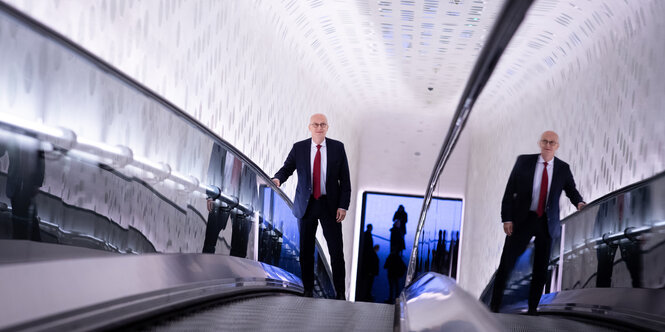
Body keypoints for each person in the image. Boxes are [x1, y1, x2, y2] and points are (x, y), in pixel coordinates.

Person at [490, 131, 586, 315]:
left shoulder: (562, 168)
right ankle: (494, 306)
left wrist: (579, 203)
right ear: (539, 143)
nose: (548, 145)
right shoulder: (523, 162)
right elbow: (509, 192)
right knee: (506, 264)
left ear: (557, 146)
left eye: (552, 142)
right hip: (522, 220)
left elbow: (571, 190)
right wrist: (507, 218)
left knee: (541, 269)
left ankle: (533, 308)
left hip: (547, 224)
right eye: (545, 141)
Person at [272, 113, 351, 300]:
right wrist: (277, 179)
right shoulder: (299, 148)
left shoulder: (338, 148)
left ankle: (340, 293)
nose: (319, 127)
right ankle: (307, 290)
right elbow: (287, 168)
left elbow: (345, 181)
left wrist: (343, 206)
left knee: (336, 251)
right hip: (306, 205)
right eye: (315, 124)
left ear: (327, 127)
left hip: (330, 206)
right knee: (306, 250)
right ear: (309, 127)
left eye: (323, 124)